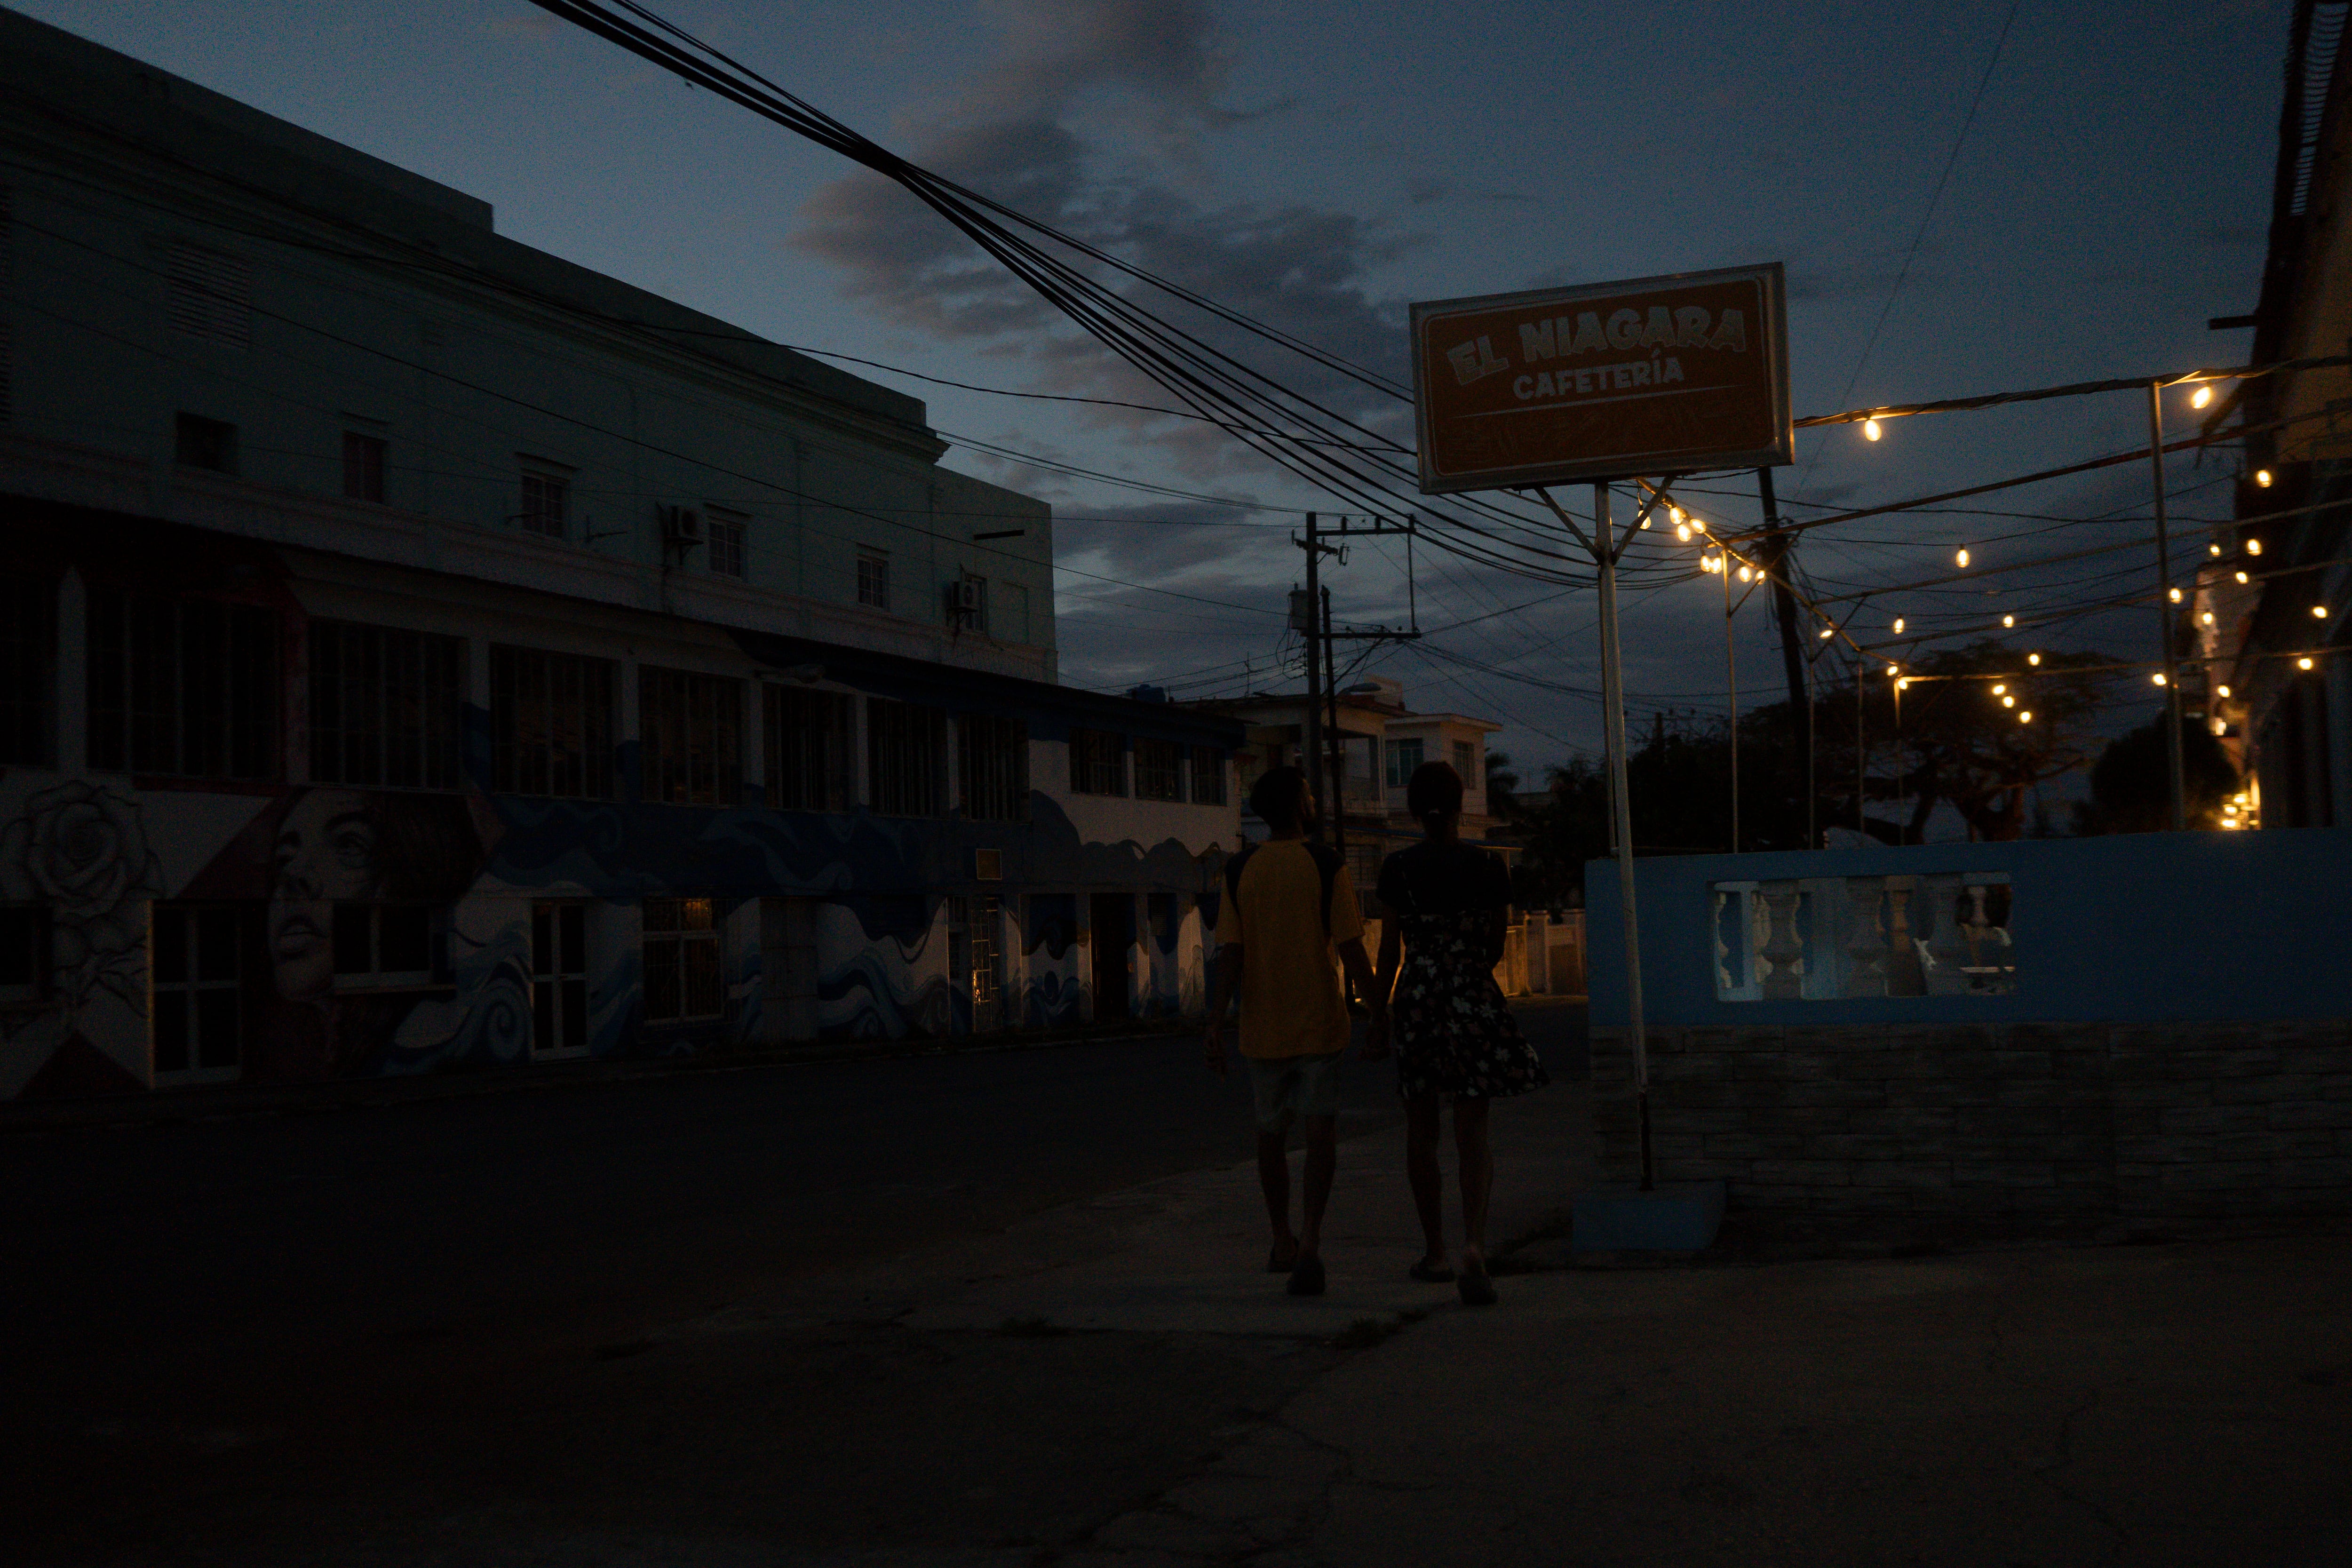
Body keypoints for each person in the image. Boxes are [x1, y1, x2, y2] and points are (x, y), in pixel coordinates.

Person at [1368, 761, 1548, 1306]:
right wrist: (1466, 969)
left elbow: (1388, 951)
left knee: (1420, 1133)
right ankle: (1474, 1245)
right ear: (1461, 805)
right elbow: (1496, 944)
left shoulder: (1396, 869)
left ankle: (1435, 1253)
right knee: (1473, 1132)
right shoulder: (1489, 867)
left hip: (1419, 1000)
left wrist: (1379, 1017)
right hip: (1472, 996)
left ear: (1413, 810)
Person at [1202, 765, 1384, 1297]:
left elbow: (1230, 955)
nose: (1313, 799)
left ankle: (1281, 1238)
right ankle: (1310, 1241)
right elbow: (1351, 949)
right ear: (1299, 807)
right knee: (1319, 1136)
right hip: (1320, 1025)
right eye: (1309, 793)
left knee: (1269, 1138)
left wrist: (1215, 1022)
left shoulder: (1240, 871)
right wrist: (1379, 1014)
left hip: (1263, 1030)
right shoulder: (1326, 865)